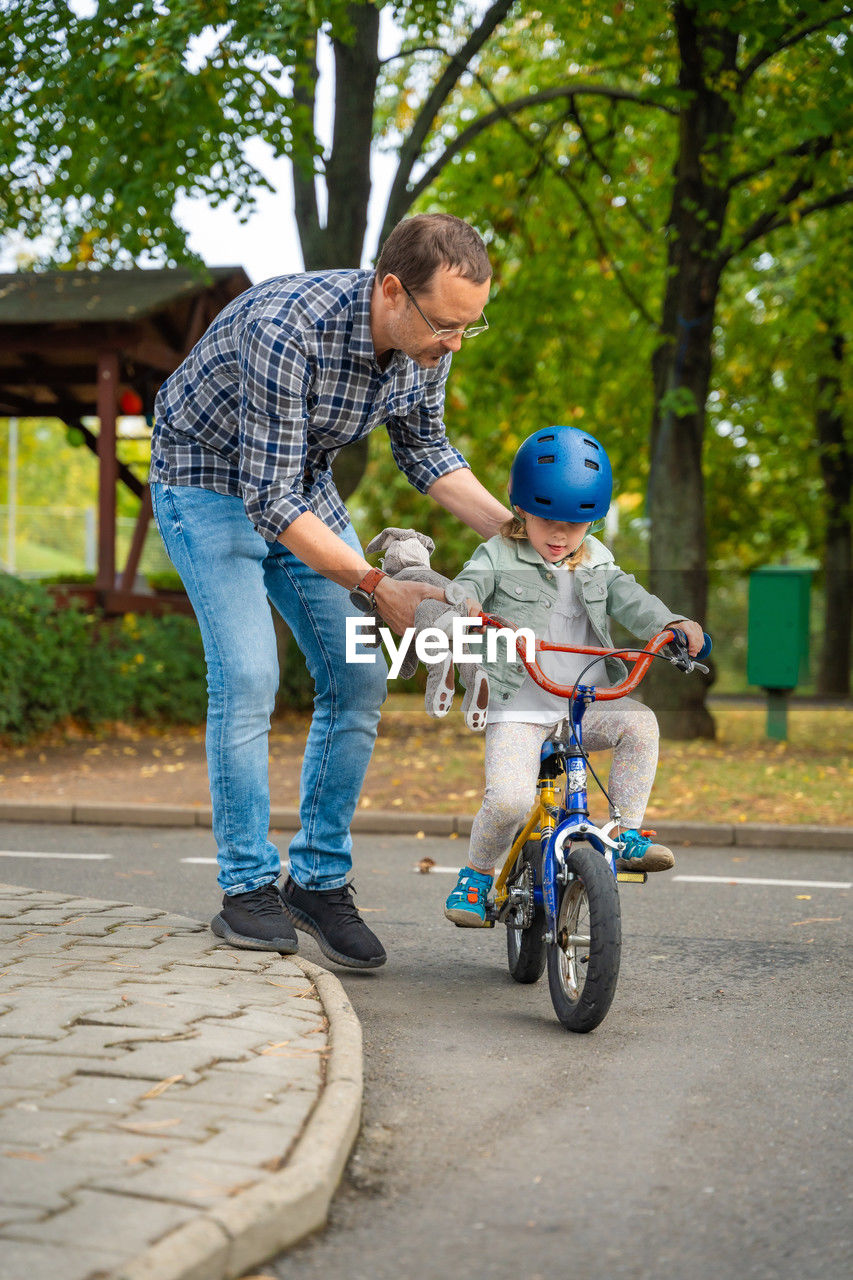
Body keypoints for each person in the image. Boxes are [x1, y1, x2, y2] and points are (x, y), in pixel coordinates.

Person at [149, 213, 509, 967]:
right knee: (248, 676)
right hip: (205, 484)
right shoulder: (286, 327)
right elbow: (268, 499)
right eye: (445, 324)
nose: (451, 344)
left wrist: (516, 536)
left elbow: (427, 450)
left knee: (357, 677)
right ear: (390, 291)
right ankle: (248, 889)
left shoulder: (428, 344)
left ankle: (316, 882)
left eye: (466, 330)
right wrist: (377, 585)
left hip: (300, 489)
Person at [442, 425, 706, 927]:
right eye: (546, 519)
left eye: (574, 523)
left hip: (583, 703)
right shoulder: (497, 554)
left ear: (594, 520)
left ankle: (627, 832)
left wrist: (670, 624)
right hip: (518, 706)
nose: (559, 535)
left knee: (641, 725)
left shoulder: (598, 560)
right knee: (510, 800)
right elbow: (469, 585)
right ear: (521, 507)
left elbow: (632, 599)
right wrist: (465, 604)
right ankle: (476, 876)